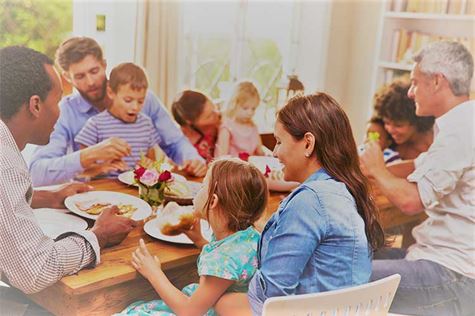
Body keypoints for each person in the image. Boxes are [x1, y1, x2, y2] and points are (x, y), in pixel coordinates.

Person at [215, 93, 385, 316]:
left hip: (311, 311)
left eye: (279, 141)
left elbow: (272, 295)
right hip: (339, 310)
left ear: (308, 143)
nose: (274, 152)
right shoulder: (343, 189)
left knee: (222, 302)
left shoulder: (310, 201)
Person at [0, 46, 136, 312]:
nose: (61, 111)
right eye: (58, 100)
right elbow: (35, 271)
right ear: (35, 105)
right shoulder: (4, 162)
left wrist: (47, 197)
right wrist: (99, 236)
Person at [360, 41, 475, 315]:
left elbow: (412, 202)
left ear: (437, 81)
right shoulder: (463, 122)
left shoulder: (461, 129)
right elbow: (417, 166)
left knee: (335, 276)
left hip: (454, 276)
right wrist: (358, 169)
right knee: (343, 259)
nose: (411, 93)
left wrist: (377, 169)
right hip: (443, 263)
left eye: (415, 83)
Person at [29, 37, 206, 186]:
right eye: (80, 76)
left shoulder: (144, 99)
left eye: (94, 71)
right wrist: (87, 155)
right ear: (67, 77)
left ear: (104, 65)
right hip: (94, 197)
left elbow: (174, 142)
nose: (90, 82)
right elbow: (36, 172)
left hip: (140, 193)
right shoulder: (66, 111)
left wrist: (193, 160)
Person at [116, 158, 268, 315]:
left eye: (203, 186)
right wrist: (199, 240)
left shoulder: (224, 259)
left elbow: (189, 311)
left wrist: (153, 273)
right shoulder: (249, 236)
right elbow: (231, 270)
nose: (199, 191)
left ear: (213, 201)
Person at [75, 62, 160, 177]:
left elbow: (153, 162)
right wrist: (102, 167)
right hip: (105, 189)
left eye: (140, 101)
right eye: (128, 100)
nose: (135, 107)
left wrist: (149, 166)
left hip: (134, 191)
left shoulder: (146, 124)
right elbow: (79, 171)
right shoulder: (96, 125)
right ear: (110, 92)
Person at [374, 77, 434, 160]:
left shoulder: (434, 143)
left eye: (398, 125)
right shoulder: (390, 144)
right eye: (387, 122)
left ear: (416, 121)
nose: (390, 130)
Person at [215, 81, 265, 157]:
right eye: (245, 108)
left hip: (250, 167)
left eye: (253, 108)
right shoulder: (227, 127)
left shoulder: (253, 127)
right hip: (231, 167)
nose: (250, 112)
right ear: (233, 104)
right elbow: (221, 156)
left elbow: (260, 152)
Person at [171, 90, 221, 163]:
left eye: (214, 107)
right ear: (190, 121)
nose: (218, 113)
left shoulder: (221, 122)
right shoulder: (179, 140)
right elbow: (172, 167)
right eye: (209, 116)